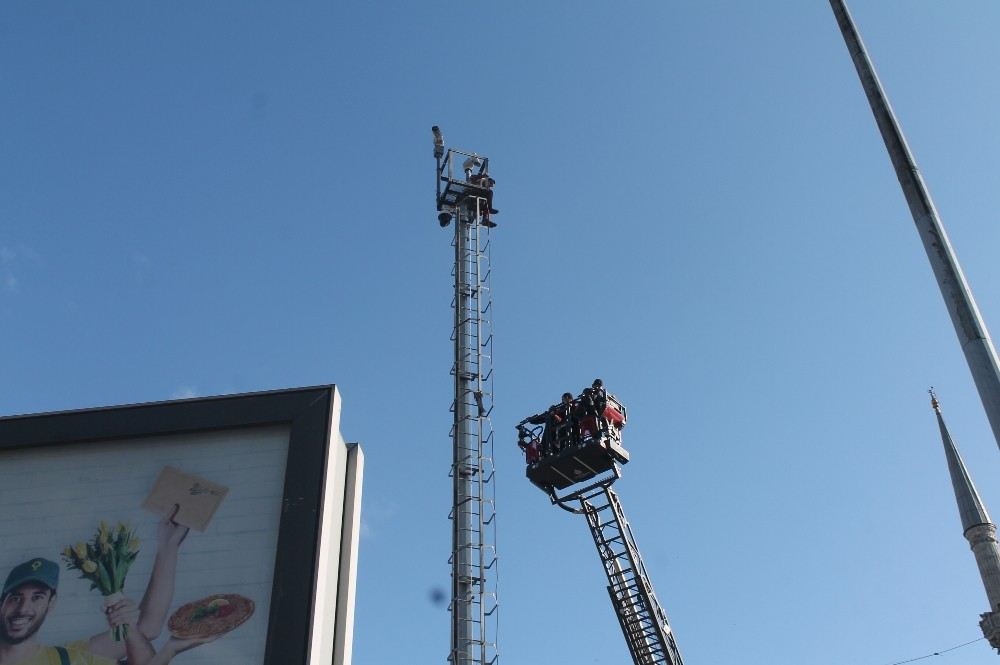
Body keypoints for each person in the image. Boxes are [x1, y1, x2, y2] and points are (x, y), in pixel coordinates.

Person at [0, 558, 153, 665]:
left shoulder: (66, 659)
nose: (23, 609)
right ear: (2, 602)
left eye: (37, 597)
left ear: (51, 603)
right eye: (15, 598)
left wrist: (129, 629)